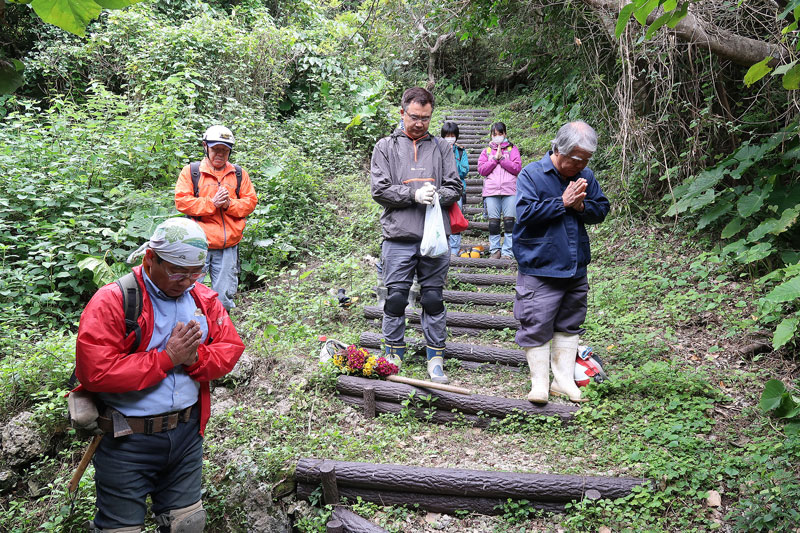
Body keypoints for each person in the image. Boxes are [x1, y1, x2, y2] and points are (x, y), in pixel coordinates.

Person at [74, 218, 245, 533]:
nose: (186, 281)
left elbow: (229, 348)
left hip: (186, 434)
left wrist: (194, 358)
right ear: (150, 259)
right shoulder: (114, 301)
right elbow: (96, 372)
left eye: (196, 272)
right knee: (119, 528)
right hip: (127, 439)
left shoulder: (203, 299)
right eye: (177, 271)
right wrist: (167, 359)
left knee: (188, 524)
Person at [512, 121, 610, 404]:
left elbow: (601, 209)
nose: (582, 166)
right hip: (539, 265)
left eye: (587, 160)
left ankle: (563, 381)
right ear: (559, 150)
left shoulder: (586, 175)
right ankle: (539, 383)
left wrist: (582, 207)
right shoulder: (531, 174)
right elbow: (524, 214)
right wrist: (562, 202)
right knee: (536, 321)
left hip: (575, 264)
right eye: (577, 159)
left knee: (570, 323)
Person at [370, 87, 462, 384]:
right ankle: (392, 352)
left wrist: (437, 195)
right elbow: (380, 190)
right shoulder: (385, 147)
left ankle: (435, 357)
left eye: (426, 118)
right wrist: (413, 194)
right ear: (402, 113)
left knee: (433, 298)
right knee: (395, 298)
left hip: (434, 237)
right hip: (398, 235)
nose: (420, 123)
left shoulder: (442, 148)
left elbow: (455, 187)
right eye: (414, 117)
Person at [175, 125, 258, 311]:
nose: (220, 154)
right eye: (215, 149)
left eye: (224, 150)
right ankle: (193, 327)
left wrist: (229, 204)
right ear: (205, 147)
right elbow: (182, 202)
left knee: (224, 295)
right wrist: (212, 203)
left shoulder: (238, 173)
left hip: (227, 246)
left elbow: (250, 202)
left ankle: (221, 328)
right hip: (198, 244)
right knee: (191, 290)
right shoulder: (191, 172)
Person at [477, 122, 522, 259]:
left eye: (500, 134)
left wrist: (502, 159)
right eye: (494, 134)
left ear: (505, 134)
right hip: (491, 191)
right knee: (493, 223)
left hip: (509, 190)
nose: (497, 137)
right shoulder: (487, 151)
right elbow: (482, 170)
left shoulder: (512, 149)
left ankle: (508, 251)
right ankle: (495, 250)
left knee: (509, 222)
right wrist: (493, 160)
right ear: (491, 135)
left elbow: (517, 168)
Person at [441, 121, 470, 256]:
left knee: (456, 219)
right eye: (447, 135)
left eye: (452, 135)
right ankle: (443, 247)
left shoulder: (460, 151)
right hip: (441, 189)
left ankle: (454, 248)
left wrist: (453, 160)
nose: (450, 138)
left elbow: (464, 170)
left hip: (457, 189)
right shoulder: (437, 149)